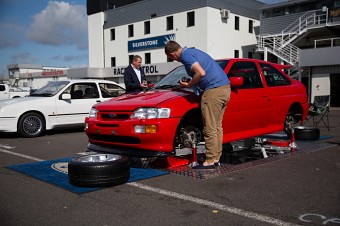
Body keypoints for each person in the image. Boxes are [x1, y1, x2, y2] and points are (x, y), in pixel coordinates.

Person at [165, 41, 231, 169]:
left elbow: (200, 73)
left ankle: (210, 160)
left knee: (209, 127)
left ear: (172, 54)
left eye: (170, 58)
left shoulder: (186, 56)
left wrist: (189, 85)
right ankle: (216, 158)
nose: (173, 60)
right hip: (224, 88)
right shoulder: (193, 52)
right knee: (217, 127)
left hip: (213, 91)